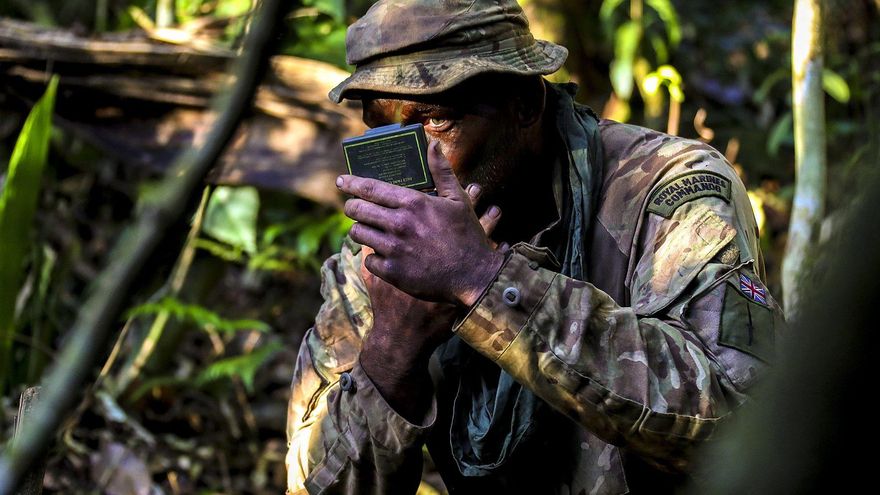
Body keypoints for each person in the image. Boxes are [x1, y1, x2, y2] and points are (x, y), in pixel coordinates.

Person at [285, 1, 784, 493]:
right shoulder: (389, 247)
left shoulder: (660, 190)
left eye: (435, 120)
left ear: (524, 103)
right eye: (380, 129)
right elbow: (310, 484)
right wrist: (393, 349)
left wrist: (483, 282)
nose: (406, 165)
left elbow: (743, 419)